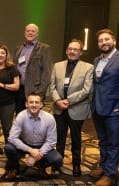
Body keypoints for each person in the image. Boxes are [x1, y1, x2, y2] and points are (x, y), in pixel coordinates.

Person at [89, 29, 119, 186]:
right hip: (98, 108)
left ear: (114, 41)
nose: (104, 42)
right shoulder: (97, 60)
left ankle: (110, 174)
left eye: (107, 39)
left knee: (113, 142)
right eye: (100, 40)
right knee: (102, 140)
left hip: (114, 110)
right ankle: (103, 166)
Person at [50, 39, 93, 177]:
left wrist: (68, 101)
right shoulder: (57, 66)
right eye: (70, 49)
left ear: (80, 52)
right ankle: (57, 162)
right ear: (66, 50)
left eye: (75, 49)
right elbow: (52, 86)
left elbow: (87, 90)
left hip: (77, 108)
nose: (72, 51)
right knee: (59, 137)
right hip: (59, 108)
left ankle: (76, 164)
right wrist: (57, 100)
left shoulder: (88, 67)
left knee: (76, 139)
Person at [4, 92, 62, 181]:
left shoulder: (49, 118)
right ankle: (14, 168)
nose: (34, 105)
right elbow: (12, 137)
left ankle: (41, 165)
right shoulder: (21, 116)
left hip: (41, 145)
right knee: (8, 148)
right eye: (31, 102)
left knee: (57, 159)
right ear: (26, 104)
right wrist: (30, 150)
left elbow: (51, 141)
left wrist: (35, 156)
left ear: (41, 105)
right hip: (25, 143)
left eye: (36, 102)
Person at [13, 23, 52, 114]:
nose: (30, 33)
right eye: (28, 31)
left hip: (34, 91)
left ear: (37, 34)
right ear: (24, 33)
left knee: (33, 119)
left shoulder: (44, 48)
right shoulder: (19, 48)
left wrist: (39, 94)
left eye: (33, 31)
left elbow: (47, 74)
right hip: (19, 90)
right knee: (20, 117)